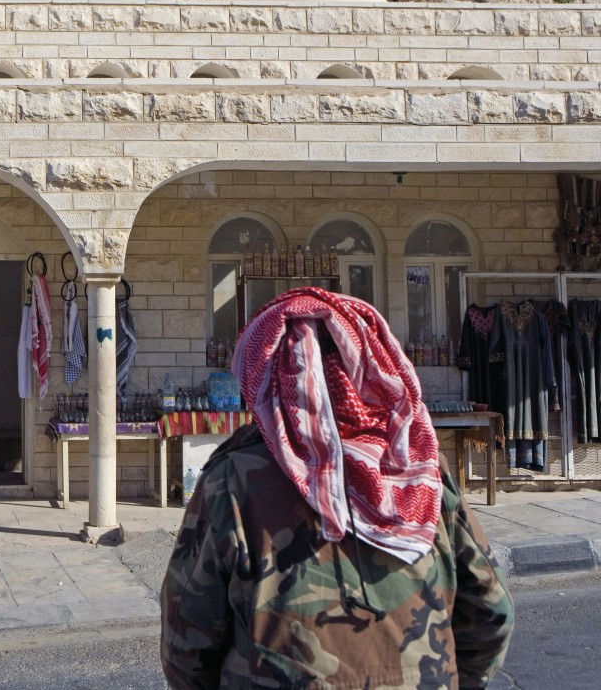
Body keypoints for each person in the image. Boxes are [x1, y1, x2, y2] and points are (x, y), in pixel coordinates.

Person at [161, 287, 513, 690]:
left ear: (267, 373)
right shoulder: (420, 470)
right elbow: (491, 609)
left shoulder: (234, 478)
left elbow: (187, 634)